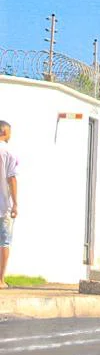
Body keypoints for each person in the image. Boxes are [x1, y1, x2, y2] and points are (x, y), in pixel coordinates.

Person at [0, 121, 17, 288]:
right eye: (10, 132)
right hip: (3, 205)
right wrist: (16, 204)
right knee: (4, 242)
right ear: (4, 132)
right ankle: (0, 280)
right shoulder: (8, 152)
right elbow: (12, 178)